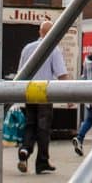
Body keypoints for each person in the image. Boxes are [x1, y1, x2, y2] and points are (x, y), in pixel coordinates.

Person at [16, 18, 70, 174]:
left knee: (30, 124)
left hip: (29, 91)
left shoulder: (27, 48)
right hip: (44, 92)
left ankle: (25, 150)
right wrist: (69, 97)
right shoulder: (53, 49)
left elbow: (21, 72)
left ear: (40, 32)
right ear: (53, 33)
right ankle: (42, 161)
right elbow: (61, 74)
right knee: (43, 128)